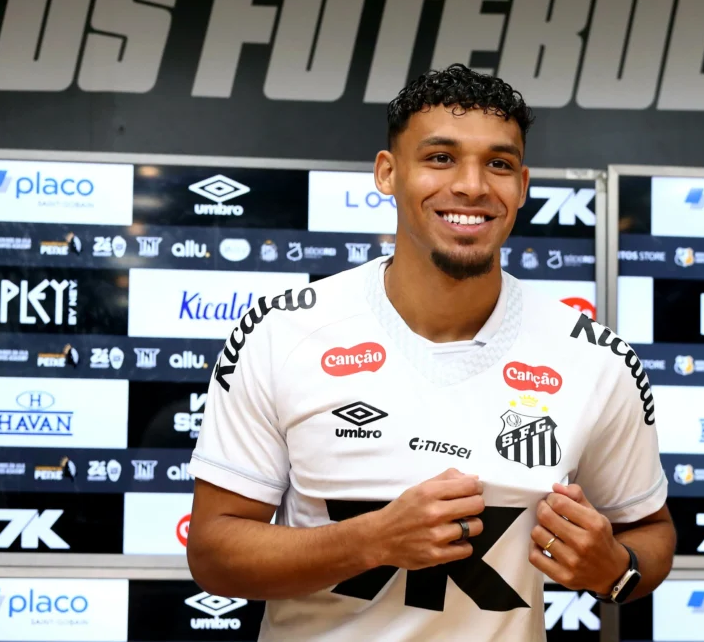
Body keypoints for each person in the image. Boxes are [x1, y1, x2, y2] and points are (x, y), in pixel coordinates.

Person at [186, 63, 675, 641]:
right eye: (441, 157)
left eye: (498, 163)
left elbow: (651, 531)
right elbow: (213, 554)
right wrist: (371, 540)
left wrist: (616, 570)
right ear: (388, 173)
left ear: (522, 186)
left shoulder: (595, 357)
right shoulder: (283, 332)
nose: (472, 185)